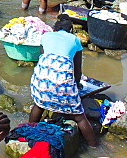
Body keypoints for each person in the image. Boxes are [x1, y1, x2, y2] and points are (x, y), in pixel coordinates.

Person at [29, 19, 98, 147]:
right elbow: (77, 70)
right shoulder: (74, 40)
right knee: (79, 117)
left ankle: (29, 132)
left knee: (38, 105)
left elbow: (43, 60)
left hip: (41, 81)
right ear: (70, 30)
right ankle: (93, 145)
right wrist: (76, 88)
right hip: (62, 83)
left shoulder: (45, 36)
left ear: (54, 28)